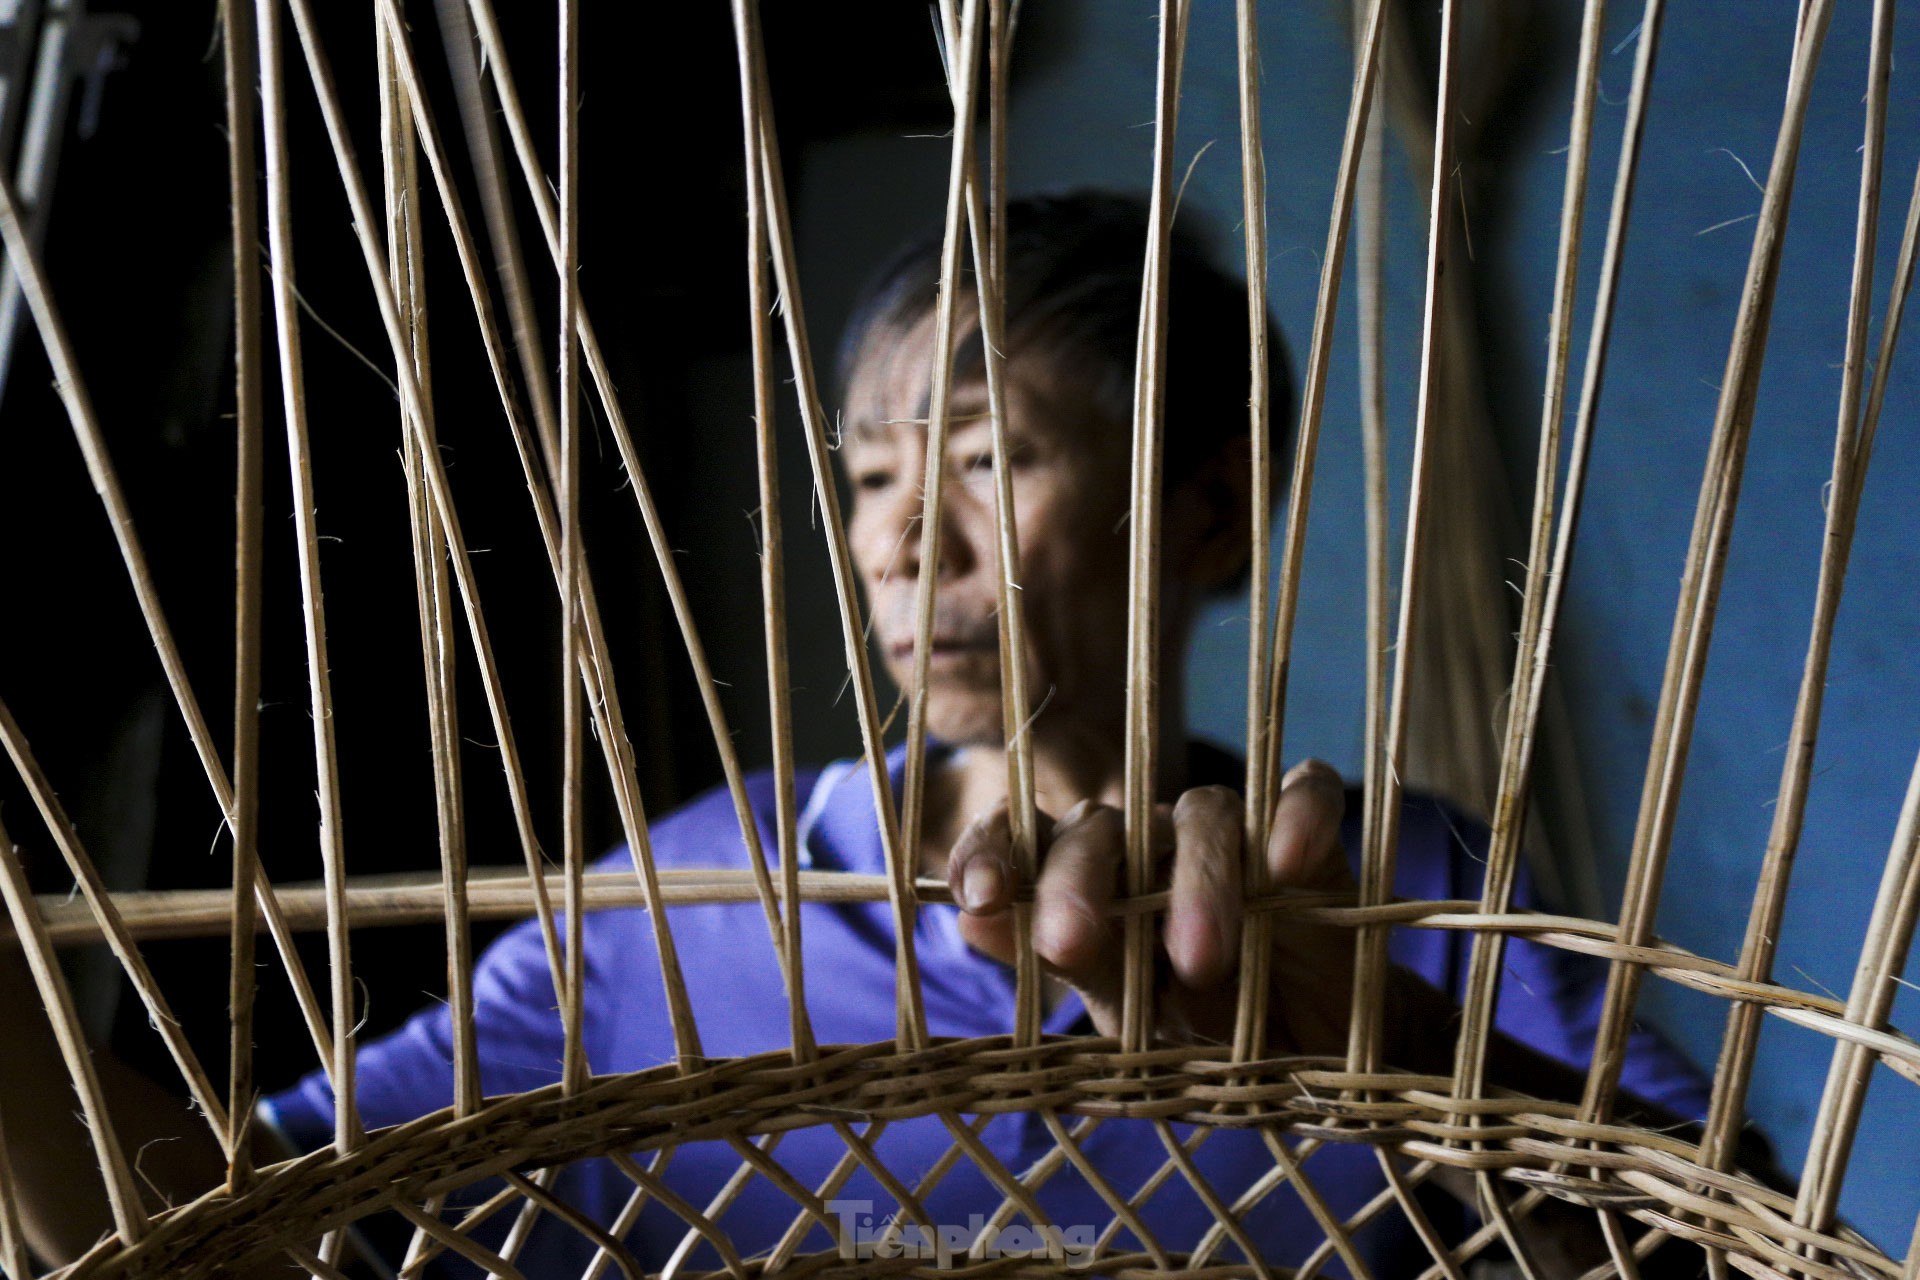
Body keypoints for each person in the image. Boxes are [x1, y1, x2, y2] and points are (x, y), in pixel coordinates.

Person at [1, 191, 1711, 1276]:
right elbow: (218, 1229)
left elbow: (1709, 1248)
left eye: (986, 459)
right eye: (872, 479)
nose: (904, 542)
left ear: (1212, 512)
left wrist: (1399, 1059)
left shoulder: (1391, 889)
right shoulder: (687, 908)